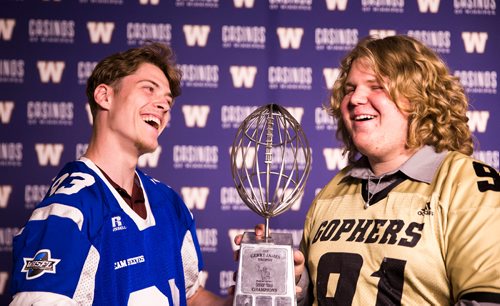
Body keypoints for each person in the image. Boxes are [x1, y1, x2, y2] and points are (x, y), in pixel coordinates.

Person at [10, 42, 232, 305]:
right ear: (105, 96)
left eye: (168, 101)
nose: (163, 105)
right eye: (149, 89)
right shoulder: (71, 208)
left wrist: (251, 294)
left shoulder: (169, 203)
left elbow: (191, 297)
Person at [295, 35, 500, 305]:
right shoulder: (333, 191)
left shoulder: (467, 183)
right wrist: (292, 285)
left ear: (419, 99)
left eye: (376, 86)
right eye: (349, 88)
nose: (355, 98)